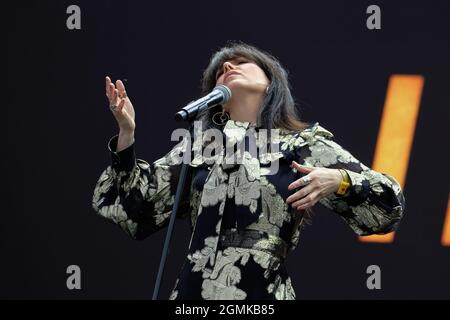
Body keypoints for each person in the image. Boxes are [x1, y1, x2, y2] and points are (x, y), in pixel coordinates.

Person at [92, 42, 405, 300]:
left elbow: (388, 206)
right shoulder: (200, 148)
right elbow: (133, 208)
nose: (228, 68)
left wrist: (340, 180)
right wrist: (126, 135)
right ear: (218, 103)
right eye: (219, 72)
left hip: (261, 294)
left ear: (270, 82)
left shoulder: (301, 143)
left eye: (241, 62)